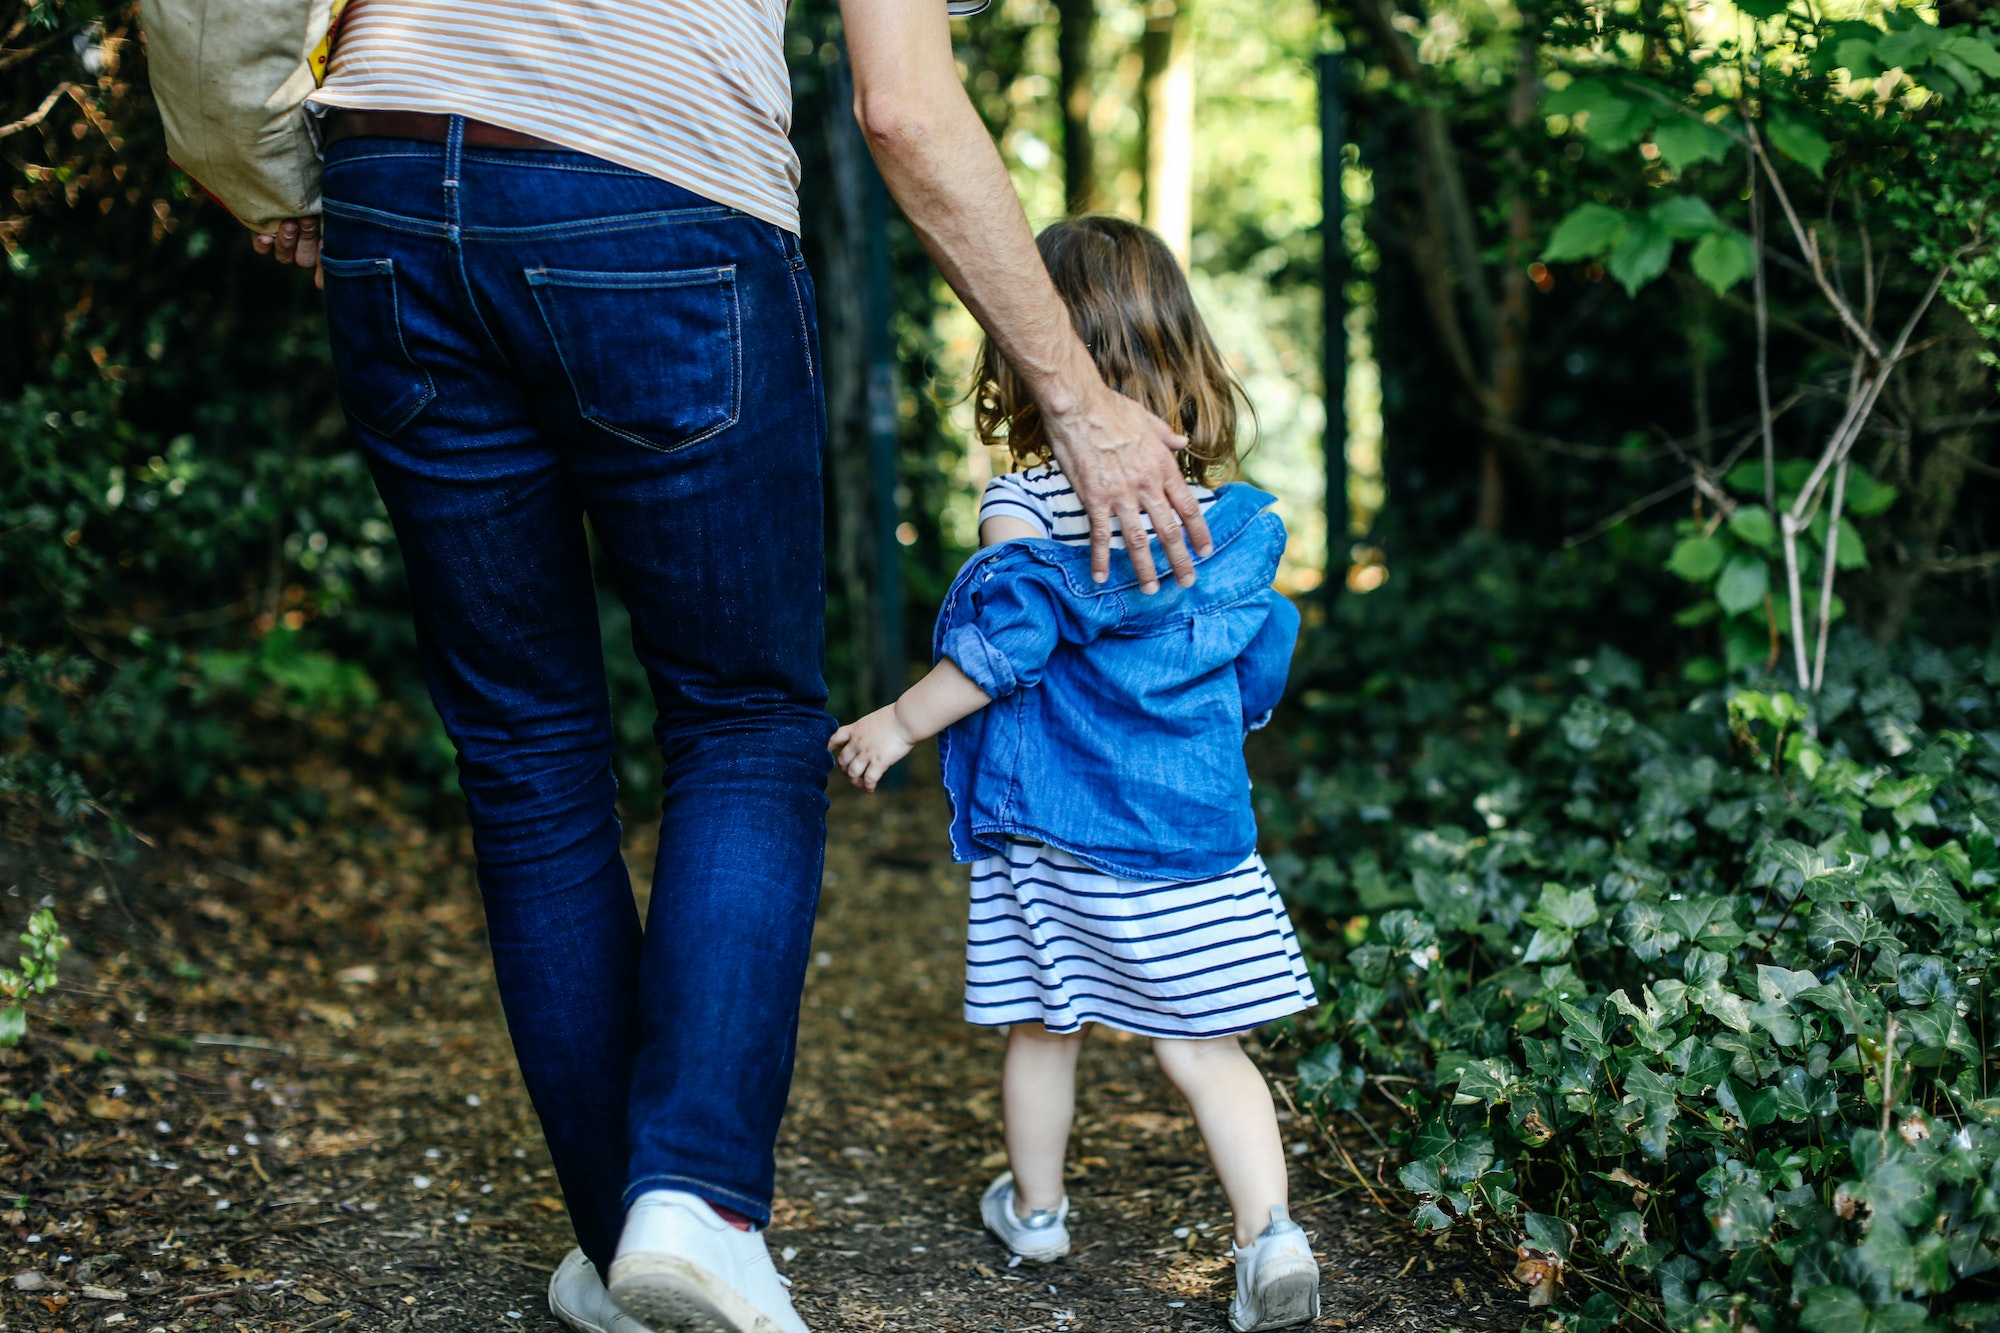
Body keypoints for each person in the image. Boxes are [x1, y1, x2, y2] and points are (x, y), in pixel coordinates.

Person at [245, 2, 1218, 1332]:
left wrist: (274, 159)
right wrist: (1079, 398)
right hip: (656, 186)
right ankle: (692, 1202)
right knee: (746, 720)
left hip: (394, 182)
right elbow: (904, 107)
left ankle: (623, 1250)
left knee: (527, 758)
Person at [829, 217, 1323, 1333]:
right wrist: (1221, 717)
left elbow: (1009, 638)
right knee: (1204, 1046)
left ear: (1027, 353)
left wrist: (901, 722)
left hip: (1056, 830)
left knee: (1042, 1021)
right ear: (1178, 350)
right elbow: (1261, 648)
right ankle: (1271, 1237)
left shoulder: (1030, 502)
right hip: (1193, 832)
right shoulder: (1232, 517)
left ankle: (1038, 1211)